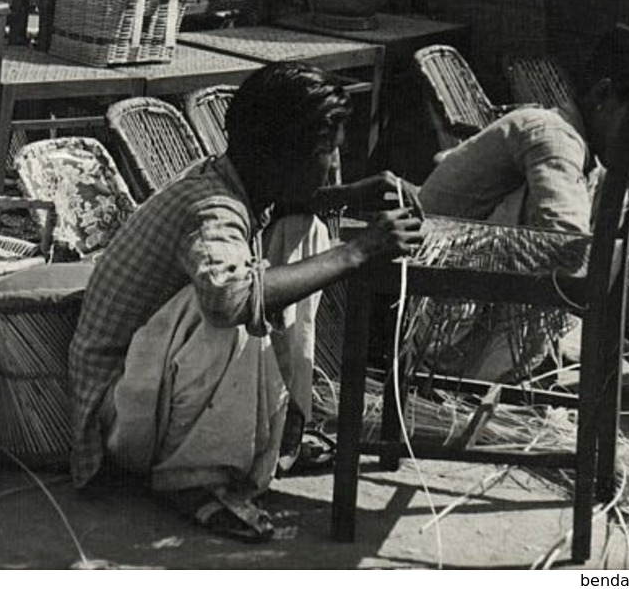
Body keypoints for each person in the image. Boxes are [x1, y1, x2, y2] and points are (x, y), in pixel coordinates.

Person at [67, 63, 424, 544]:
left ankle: (278, 428)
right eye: (326, 154)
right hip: (118, 414)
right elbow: (228, 300)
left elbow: (288, 202)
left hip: (147, 388)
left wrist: (344, 196)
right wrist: (358, 251)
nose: (334, 165)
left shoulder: (237, 177)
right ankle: (191, 480)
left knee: (303, 229)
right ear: (282, 158)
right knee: (229, 300)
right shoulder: (211, 208)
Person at [405, 28, 629, 381]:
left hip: (458, 310)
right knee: (563, 250)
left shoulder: (594, 164)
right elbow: (571, 253)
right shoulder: (550, 134)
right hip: (426, 323)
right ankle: (478, 379)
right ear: (603, 95)